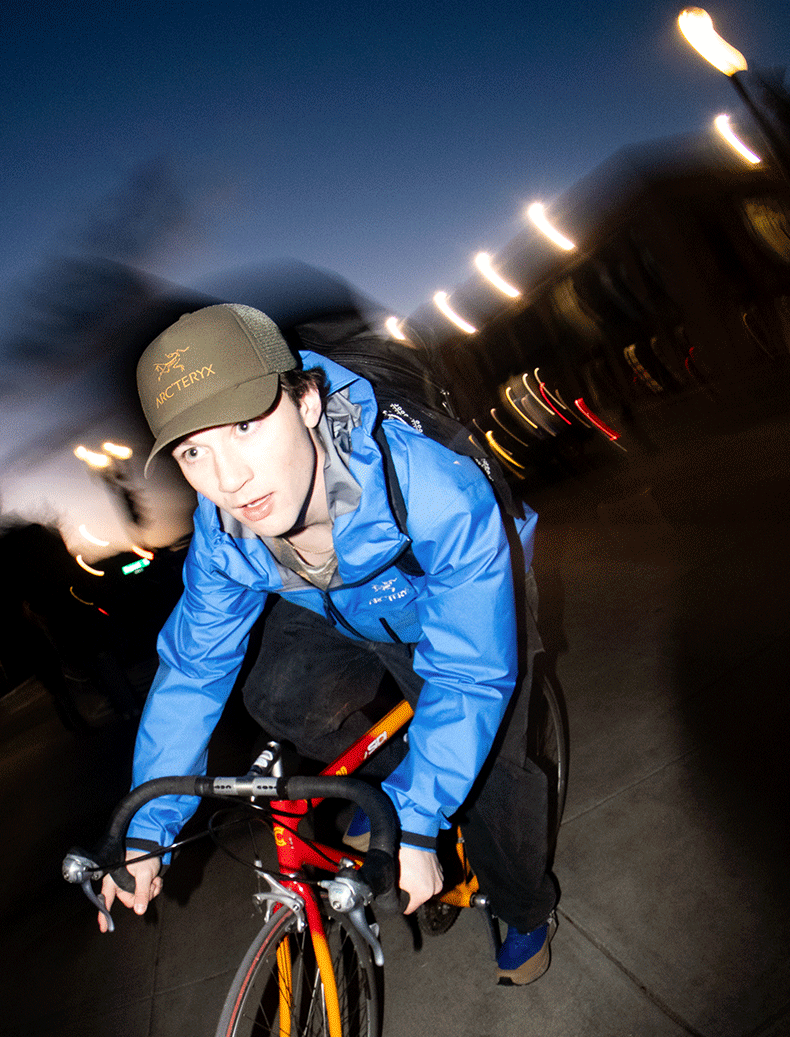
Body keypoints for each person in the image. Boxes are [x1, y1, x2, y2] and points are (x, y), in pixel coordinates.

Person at [100, 303, 560, 985]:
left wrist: (420, 815)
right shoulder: (224, 539)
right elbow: (193, 669)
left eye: (245, 427)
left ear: (307, 402)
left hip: (452, 600)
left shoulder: (432, 489)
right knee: (277, 695)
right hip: (339, 608)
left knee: (492, 770)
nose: (229, 480)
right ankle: (400, 784)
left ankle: (524, 909)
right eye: (194, 451)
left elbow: (468, 675)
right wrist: (148, 826)